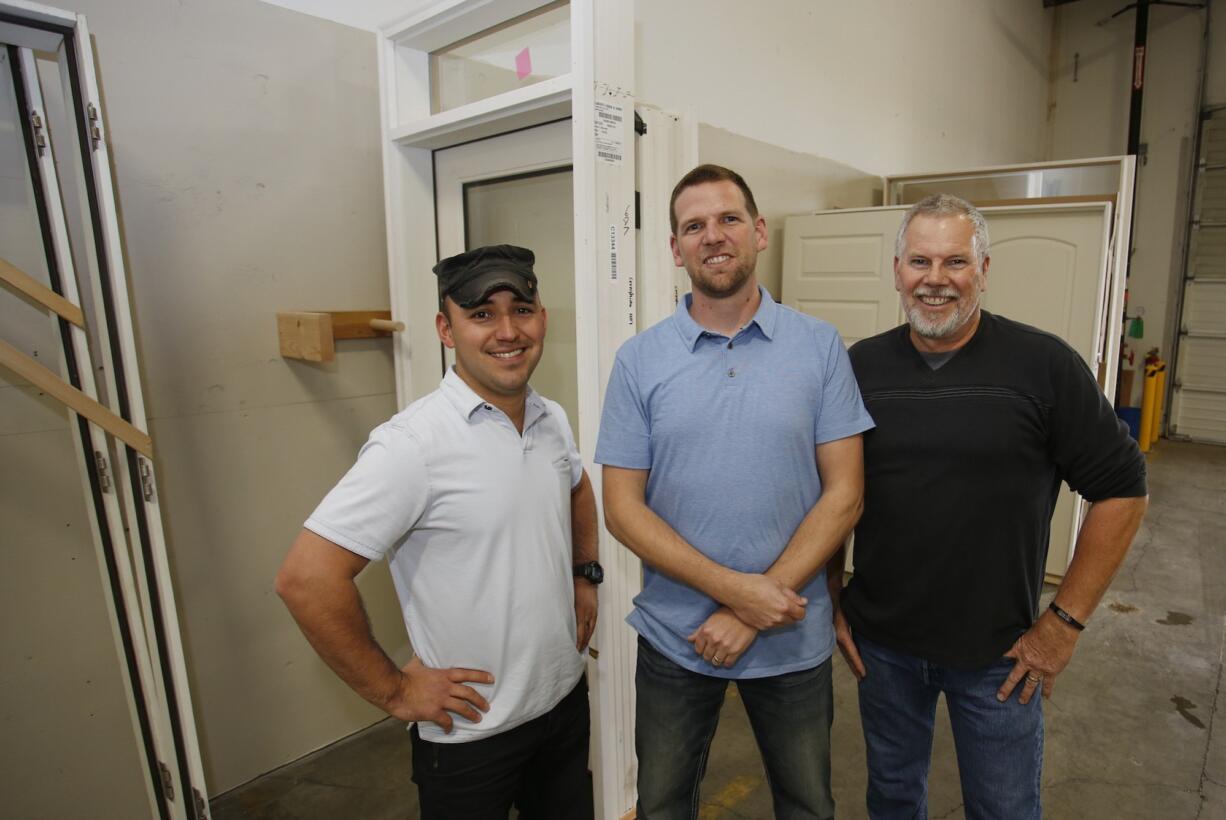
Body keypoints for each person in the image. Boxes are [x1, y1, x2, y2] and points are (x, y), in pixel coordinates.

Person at [832, 194, 1149, 819]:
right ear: (897, 269)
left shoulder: (1043, 365)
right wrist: (830, 599)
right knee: (892, 799)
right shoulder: (858, 368)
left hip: (1001, 655)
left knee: (1003, 808)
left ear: (983, 269)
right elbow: (831, 494)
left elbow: (1123, 489)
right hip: (884, 648)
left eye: (955, 261)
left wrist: (1064, 624)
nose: (935, 279)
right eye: (919, 261)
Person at [275, 244, 601, 820]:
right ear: (445, 330)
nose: (507, 330)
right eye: (480, 314)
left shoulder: (550, 418)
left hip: (563, 702)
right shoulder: (411, 445)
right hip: (472, 733)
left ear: (542, 317)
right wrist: (397, 692)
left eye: (521, 309)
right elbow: (306, 580)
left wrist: (583, 574)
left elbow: (575, 487)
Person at [596, 164, 874, 820]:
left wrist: (754, 605)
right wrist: (737, 592)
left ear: (758, 232)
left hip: (790, 634)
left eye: (727, 219)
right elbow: (622, 509)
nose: (712, 236)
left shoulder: (820, 347)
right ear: (675, 249)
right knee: (662, 805)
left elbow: (846, 495)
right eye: (693, 225)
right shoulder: (639, 361)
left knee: (808, 805)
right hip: (675, 637)